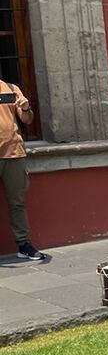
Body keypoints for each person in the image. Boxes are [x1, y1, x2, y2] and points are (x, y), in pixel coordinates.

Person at [0, 79, 46, 260]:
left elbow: (27, 120)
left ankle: (23, 244)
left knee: (17, 203)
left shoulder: (11, 88)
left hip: (14, 155)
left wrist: (26, 107)